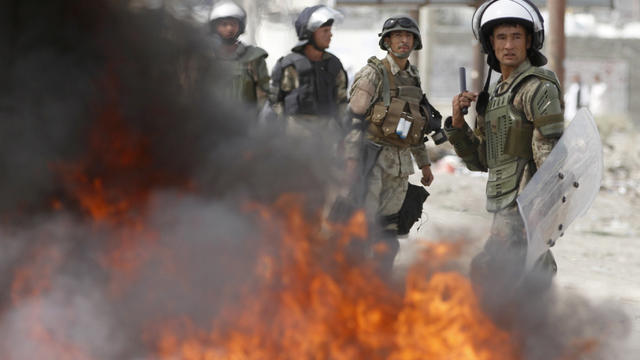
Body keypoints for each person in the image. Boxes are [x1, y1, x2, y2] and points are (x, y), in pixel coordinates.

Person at [444, 0, 564, 299]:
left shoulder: (538, 87)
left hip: (525, 205)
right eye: (501, 37)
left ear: (529, 42)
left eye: (516, 36)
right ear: (490, 44)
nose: (508, 44)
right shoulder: (496, 95)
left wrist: (540, 208)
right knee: (523, 278)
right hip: (502, 202)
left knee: (493, 275)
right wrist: (458, 123)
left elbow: (549, 154)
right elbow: (480, 160)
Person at [342, 16, 442, 278]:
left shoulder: (412, 76)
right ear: (387, 41)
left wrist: (424, 163)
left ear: (415, 42)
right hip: (371, 159)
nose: (403, 40)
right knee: (363, 225)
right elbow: (352, 120)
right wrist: (351, 161)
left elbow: (415, 122)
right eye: (397, 36)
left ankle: (380, 282)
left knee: (389, 229)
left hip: (399, 164)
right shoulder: (373, 73)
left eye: (408, 36)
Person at [269, 5, 348, 137]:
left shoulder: (334, 64)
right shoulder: (290, 65)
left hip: (328, 135)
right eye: (325, 31)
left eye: (330, 30)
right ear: (310, 33)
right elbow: (276, 104)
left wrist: (344, 136)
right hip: (296, 135)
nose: (330, 35)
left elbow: (342, 103)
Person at [208, 0, 269, 110]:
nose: (229, 28)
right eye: (224, 24)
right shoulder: (206, 57)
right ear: (215, 27)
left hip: (246, 122)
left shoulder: (254, 57)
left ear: (240, 27)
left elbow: (265, 95)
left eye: (233, 24)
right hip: (212, 122)